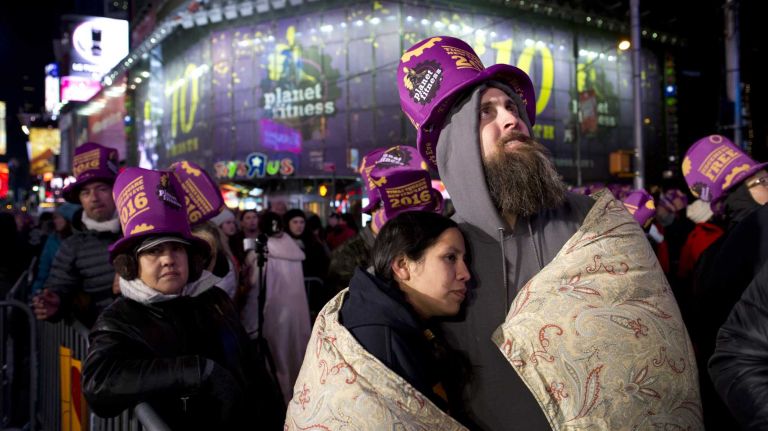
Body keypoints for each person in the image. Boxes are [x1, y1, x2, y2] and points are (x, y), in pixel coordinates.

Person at [395, 36, 701, 430]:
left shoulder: (591, 223)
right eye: (486, 112)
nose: (512, 119)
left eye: (511, 106)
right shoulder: (437, 253)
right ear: (456, 146)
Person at [82, 167, 283, 429]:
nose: (168, 259)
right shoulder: (119, 319)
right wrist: (195, 371)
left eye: (176, 248)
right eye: (154, 251)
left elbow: (254, 371)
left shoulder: (215, 300)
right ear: (132, 265)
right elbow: (99, 384)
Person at [286, 211, 470, 429]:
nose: (465, 273)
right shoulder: (383, 341)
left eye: (464, 260)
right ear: (402, 265)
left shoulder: (381, 315)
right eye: (450, 258)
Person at [680, 134, 768, 429]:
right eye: (760, 183)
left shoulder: (712, 255)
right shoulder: (718, 249)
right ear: (736, 194)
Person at [326, 145, 444, 294]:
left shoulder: (424, 244)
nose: (408, 220)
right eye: (398, 209)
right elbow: (342, 309)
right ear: (376, 209)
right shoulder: (347, 257)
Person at [32, 142, 122, 327]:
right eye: (85, 192)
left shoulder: (140, 231)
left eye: (102, 188)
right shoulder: (72, 246)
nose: (94, 198)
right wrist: (54, 303)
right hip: (101, 340)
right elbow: (59, 285)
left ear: (116, 191)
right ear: (79, 199)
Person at [241, 211, 310, 405]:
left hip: (273, 315)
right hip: (298, 315)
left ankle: (282, 403)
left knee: (277, 361)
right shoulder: (292, 247)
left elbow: (254, 287)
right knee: (296, 356)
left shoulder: (261, 250)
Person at [30, 203, 80, 296]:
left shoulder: (82, 241)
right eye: (54, 218)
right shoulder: (52, 240)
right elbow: (44, 269)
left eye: (59, 218)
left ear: (69, 219)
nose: (55, 221)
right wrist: (36, 291)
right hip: (55, 291)